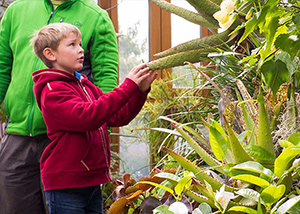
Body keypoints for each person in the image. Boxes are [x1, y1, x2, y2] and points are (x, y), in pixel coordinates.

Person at [0, 0, 119, 213]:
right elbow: (1, 68)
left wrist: (98, 141)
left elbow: (106, 82)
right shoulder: (16, 10)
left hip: (67, 143)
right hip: (17, 136)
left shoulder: (97, 17)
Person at [31, 22, 157, 213]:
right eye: (72, 45)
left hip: (91, 182)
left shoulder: (84, 85)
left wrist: (140, 91)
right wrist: (127, 86)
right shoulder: (52, 91)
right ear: (50, 54)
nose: (81, 50)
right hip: (66, 186)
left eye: (81, 44)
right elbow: (88, 116)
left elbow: (117, 117)